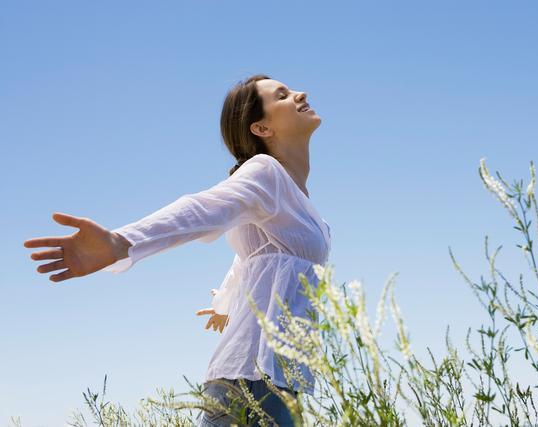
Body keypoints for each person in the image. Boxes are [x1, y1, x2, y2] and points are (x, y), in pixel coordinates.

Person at [23, 74, 331, 426]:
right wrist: (123, 242)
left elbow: (251, 253)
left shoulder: (297, 199)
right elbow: (202, 209)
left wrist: (226, 301)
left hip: (273, 374)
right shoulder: (265, 172)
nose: (299, 93)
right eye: (283, 95)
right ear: (261, 127)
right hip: (255, 377)